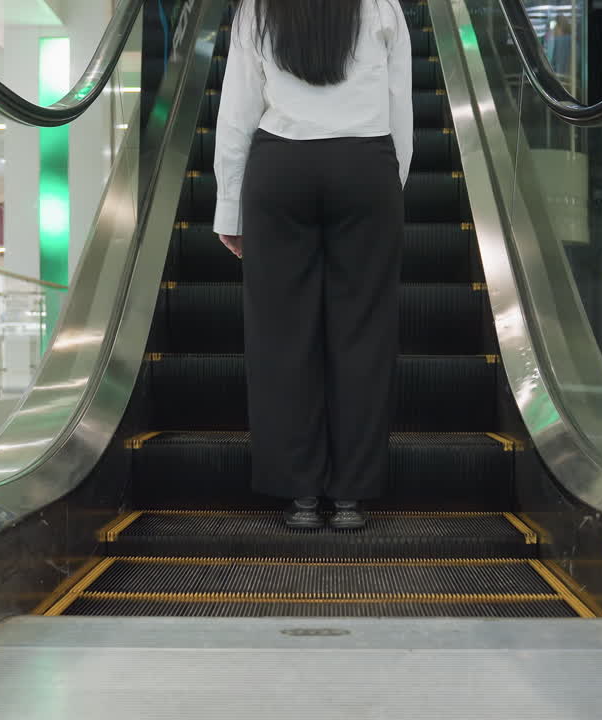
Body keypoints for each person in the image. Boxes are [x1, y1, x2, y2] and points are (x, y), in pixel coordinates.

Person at [213, 0, 413, 530]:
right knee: (364, 332)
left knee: (280, 335)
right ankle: (350, 496)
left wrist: (228, 205)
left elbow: (237, 109)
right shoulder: (382, 6)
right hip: (366, 164)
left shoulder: (256, 9)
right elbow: (400, 103)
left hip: (280, 167)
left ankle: (299, 494)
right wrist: (392, 185)